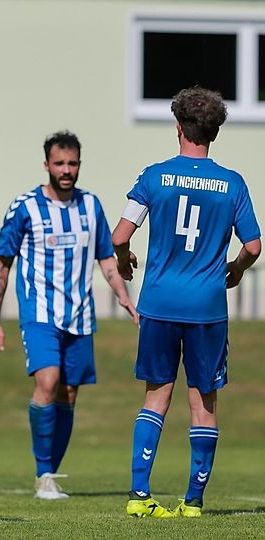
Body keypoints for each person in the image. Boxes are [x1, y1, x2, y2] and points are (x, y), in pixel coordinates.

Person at [113, 87, 261, 518]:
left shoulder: (154, 176)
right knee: (204, 402)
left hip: (159, 303)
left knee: (155, 397)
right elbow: (252, 245)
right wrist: (235, 270)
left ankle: (139, 498)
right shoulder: (232, 183)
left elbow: (120, 235)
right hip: (207, 309)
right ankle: (193, 503)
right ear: (213, 133)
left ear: (178, 127)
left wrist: (124, 261)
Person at [0, 130, 138, 500]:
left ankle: (49, 475)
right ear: (46, 166)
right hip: (39, 312)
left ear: (79, 165)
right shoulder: (25, 207)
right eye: (59, 163)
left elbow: (106, 258)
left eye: (72, 163)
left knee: (69, 393)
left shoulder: (91, 206)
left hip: (80, 315)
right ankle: (42, 474)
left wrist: (124, 297)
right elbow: (2, 265)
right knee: (48, 382)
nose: (66, 170)